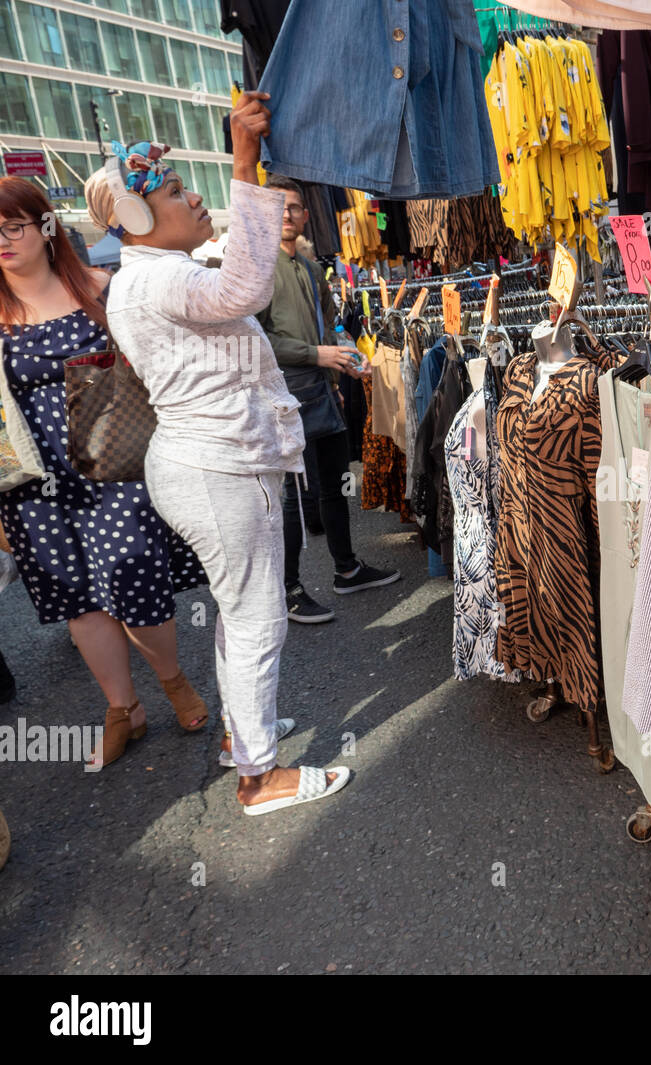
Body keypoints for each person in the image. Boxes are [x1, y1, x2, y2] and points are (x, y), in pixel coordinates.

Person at [83, 92, 349, 814]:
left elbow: (231, 278)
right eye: (174, 190)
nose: (192, 195)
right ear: (136, 218)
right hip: (219, 466)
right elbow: (245, 284)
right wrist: (242, 159)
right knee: (258, 615)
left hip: (210, 463)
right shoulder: (159, 276)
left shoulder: (152, 274)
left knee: (240, 611)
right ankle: (259, 777)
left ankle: (243, 738)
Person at [0, 177, 208, 767]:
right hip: (33, 484)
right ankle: (124, 709)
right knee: (77, 599)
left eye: (13, 225)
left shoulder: (103, 289)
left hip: (113, 463)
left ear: (45, 227)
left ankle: (171, 681)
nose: (3, 240)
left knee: (135, 576)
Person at [255, 174, 399, 623]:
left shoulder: (311, 265)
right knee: (297, 495)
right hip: (283, 391)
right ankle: (290, 589)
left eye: (296, 207)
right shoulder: (256, 267)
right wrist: (317, 353)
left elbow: (330, 322)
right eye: (279, 207)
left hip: (323, 386)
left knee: (336, 486)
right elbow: (254, 339)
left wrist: (344, 360)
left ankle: (347, 567)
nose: (289, 215)